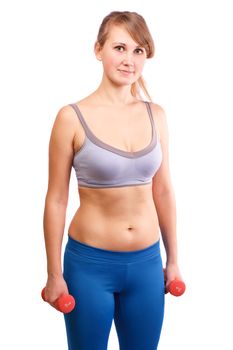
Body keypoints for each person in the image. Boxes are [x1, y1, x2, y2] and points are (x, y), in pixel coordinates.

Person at [42, 10, 183, 350]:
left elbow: (162, 190)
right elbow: (56, 199)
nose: (129, 59)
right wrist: (54, 273)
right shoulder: (71, 118)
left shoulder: (156, 115)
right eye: (120, 48)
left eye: (138, 50)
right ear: (98, 50)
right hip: (89, 267)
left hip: (147, 266)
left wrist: (174, 259)